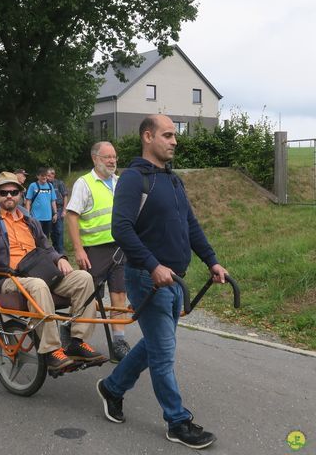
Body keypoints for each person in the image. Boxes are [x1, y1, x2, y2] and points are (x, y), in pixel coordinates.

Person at [96, 115, 228, 449]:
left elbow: (191, 225)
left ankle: (112, 387)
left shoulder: (172, 181)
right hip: (147, 278)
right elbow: (121, 229)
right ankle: (177, 421)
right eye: (168, 135)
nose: (174, 141)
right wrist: (153, 265)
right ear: (148, 136)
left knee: (155, 345)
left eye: (174, 136)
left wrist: (211, 260)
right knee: (164, 353)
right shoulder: (133, 179)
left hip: (173, 280)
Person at [0, 171, 105, 372]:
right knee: (38, 285)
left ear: (20, 193)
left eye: (13, 192)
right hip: (8, 278)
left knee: (84, 278)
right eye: (3, 192)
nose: (9, 196)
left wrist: (60, 259)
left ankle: (77, 341)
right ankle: (51, 350)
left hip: (39, 270)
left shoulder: (28, 218)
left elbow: (46, 246)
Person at [66, 142, 131, 361]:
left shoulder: (120, 183)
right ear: (95, 159)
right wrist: (79, 250)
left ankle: (119, 342)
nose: (112, 161)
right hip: (94, 250)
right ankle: (74, 331)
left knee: (119, 294)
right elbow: (72, 215)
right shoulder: (84, 183)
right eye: (107, 157)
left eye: (114, 157)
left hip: (120, 249)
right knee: (88, 296)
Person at [25, 167, 57, 237]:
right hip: (36, 218)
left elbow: (53, 201)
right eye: (42, 176)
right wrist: (27, 215)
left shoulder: (50, 186)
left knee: (46, 237)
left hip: (48, 218)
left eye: (46, 175)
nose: (44, 177)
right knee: (36, 237)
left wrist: (55, 213)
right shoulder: (33, 186)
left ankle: (45, 248)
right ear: (38, 176)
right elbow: (28, 201)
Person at [47, 167, 69, 254]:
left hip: (59, 209)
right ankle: (55, 249)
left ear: (53, 175)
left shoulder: (59, 183)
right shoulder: (45, 185)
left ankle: (61, 251)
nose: (48, 177)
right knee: (52, 231)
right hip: (49, 210)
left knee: (59, 230)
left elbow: (65, 196)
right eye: (47, 175)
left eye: (49, 175)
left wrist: (64, 210)